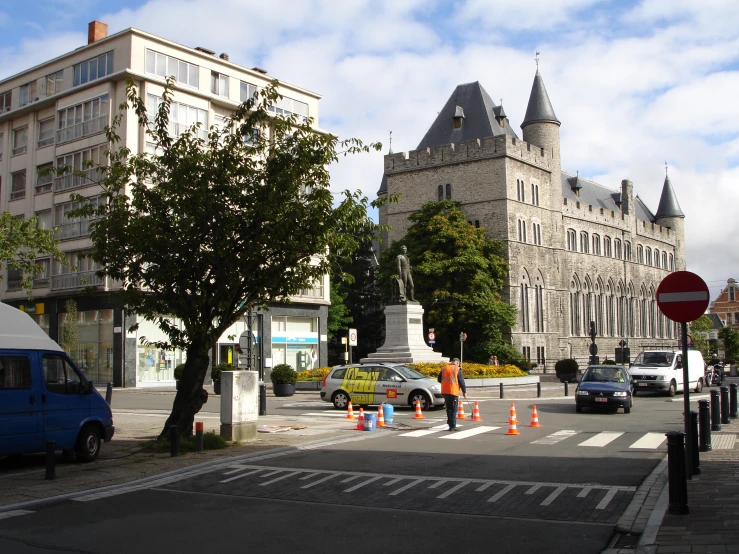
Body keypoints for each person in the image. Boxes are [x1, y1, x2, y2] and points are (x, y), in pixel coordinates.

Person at [438, 358, 467, 431]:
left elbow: (439, 379)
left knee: (448, 408)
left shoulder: (444, 368)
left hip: (445, 391)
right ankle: (453, 426)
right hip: (453, 391)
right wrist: (464, 392)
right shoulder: (457, 369)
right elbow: (461, 381)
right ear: (457, 363)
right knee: (453, 409)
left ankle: (450, 423)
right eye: (459, 364)